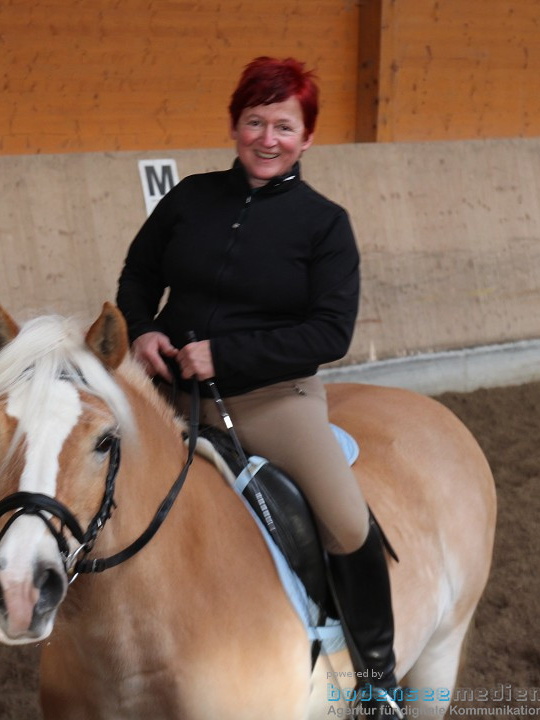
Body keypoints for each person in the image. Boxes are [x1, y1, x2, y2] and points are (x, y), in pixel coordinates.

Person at [116, 56, 404, 718]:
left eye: (283, 126)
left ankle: (379, 679)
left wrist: (229, 355)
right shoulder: (189, 198)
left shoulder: (325, 225)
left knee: (346, 519)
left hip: (273, 400)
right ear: (234, 125)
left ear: (307, 138)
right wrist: (141, 330)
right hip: (165, 393)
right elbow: (138, 272)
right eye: (255, 122)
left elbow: (329, 333)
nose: (267, 139)